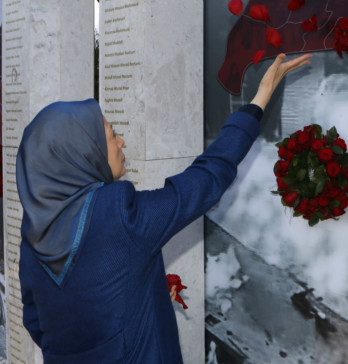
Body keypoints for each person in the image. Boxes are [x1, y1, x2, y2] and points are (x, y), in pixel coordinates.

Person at [16, 53, 311, 363]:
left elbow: (38, 322)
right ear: (82, 155)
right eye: (111, 135)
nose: (121, 142)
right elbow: (205, 180)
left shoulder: (36, 231)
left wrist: (135, 308)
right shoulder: (116, 214)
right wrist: (258, 102)